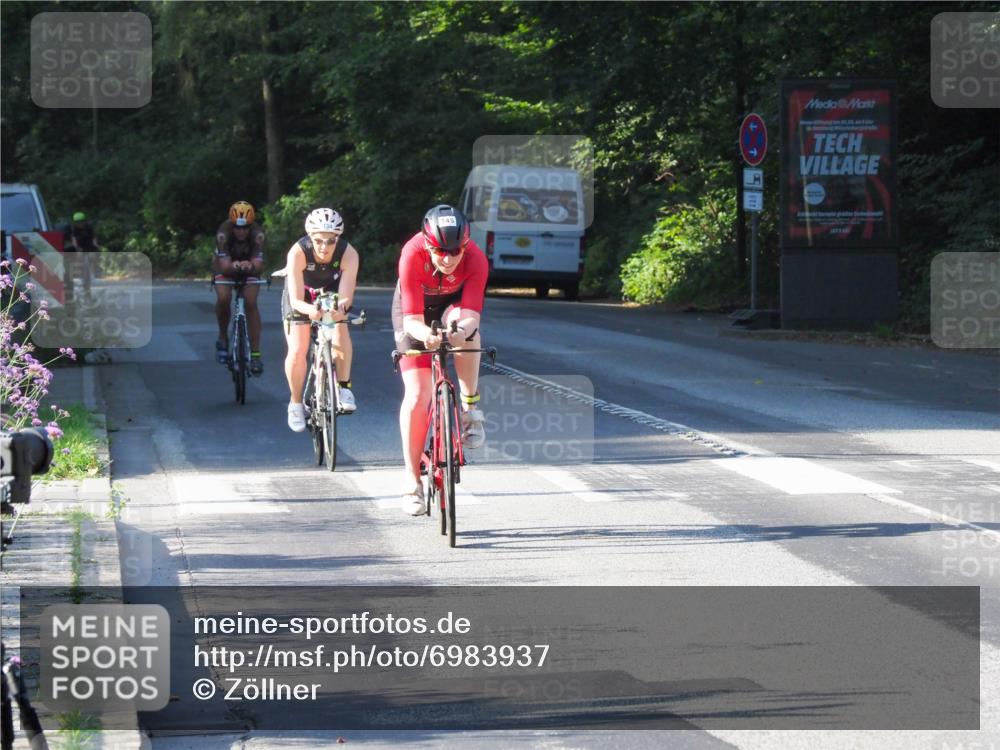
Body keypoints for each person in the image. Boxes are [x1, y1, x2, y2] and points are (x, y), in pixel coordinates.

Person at [393, 205, 488, 515]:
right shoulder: (411, 253)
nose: (447, 259)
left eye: (454, 251)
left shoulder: (475, 257)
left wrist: (460, 332)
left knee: (466, 331)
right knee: (418, 393)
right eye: (439, 251)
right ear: (426, 243)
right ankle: (412, 482)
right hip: (415, 312)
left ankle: (470, 410)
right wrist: (426, 336)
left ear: (465, 245)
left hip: (453, 307)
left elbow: (472, 316)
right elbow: (411, 321)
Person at [282, 208, 360, 432]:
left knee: (341, 328)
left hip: (331, 292)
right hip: (303, 298)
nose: (324, 247)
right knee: (298, 349)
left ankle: (344, 387)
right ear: (310, 237)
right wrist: (311, 311)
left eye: (331, 241)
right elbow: (296, 300)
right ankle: (296, 403)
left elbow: (345, 297)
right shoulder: (297, 252)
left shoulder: (349, 253)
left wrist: (339, 310)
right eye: (318, 241)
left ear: (339, 238)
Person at [214, 201, 266, 374]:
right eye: (237, 227)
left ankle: (256, 354)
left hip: (248, 266)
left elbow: (258, 264)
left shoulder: (258, 234)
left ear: (251, 226)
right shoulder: (223, 233)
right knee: (223, 297)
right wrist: (233, 265)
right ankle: (223, 336)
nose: (242, 231)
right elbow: (224, 266)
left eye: (246, 228)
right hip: (227, 266)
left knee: (250, 302)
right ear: (231, 225)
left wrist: (250, 266)